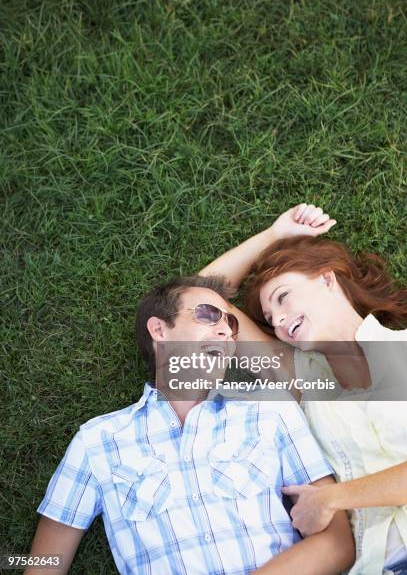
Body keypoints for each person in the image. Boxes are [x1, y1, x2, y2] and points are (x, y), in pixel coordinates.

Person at [25, 209, 354, 575]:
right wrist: (272, 233)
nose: (226, 332)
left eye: (230, 325)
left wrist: (275, 235)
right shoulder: (98, 441)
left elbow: (337, 542)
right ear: (159, 330)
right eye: (207, 317)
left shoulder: (270, 410)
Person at [199, 203, 407, 575]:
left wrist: (330, 499)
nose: (278, 321)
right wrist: (274, 234)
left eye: (283, 297)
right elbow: (201, 299)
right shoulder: (301, 378)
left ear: (327, 279)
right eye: (270, 319)